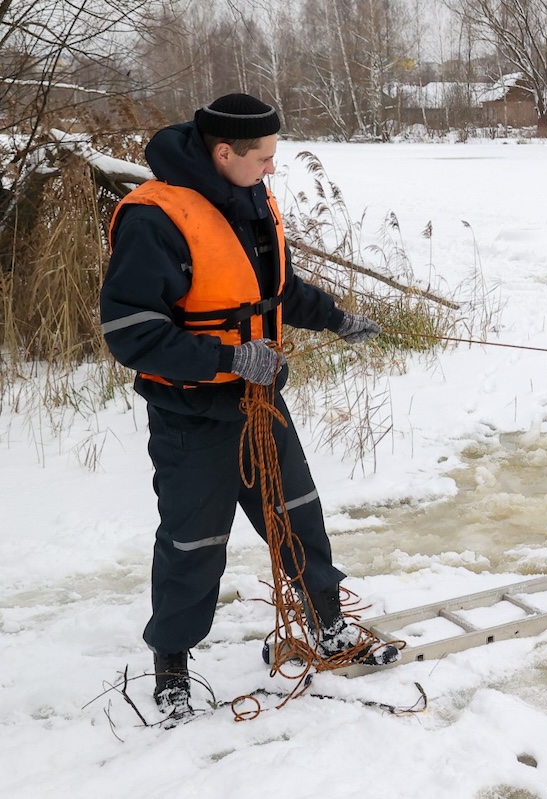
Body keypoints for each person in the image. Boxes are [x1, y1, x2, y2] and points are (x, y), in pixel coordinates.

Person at [100, 93, 397, 717]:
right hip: (191, 417)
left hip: (261, 406)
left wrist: (337, 318)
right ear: (223, 152)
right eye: (262, 157)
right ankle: (173, 665)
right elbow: (131, 333)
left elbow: (273, 289)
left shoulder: (248, 196)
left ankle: (327, 626)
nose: (271, 168)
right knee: (193, 543)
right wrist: (227, 361)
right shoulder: (154, 219)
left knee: (298, 517)